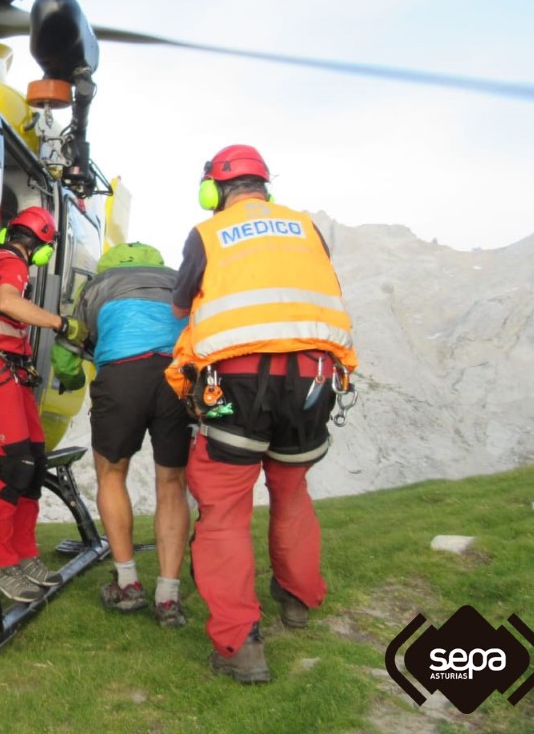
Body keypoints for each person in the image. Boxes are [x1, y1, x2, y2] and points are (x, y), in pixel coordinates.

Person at [166, 144, 358, 684]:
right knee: (292, 491)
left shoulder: (206, 234)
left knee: (224, 508)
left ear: (214, 190)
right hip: (314, 377)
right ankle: (297, 601)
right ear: (265, 186)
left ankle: (239, 645)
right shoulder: (306, 228)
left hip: (238, 381)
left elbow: (181, 306)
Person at [69, 242, 190, 625]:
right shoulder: (175, 281)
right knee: (171, 482)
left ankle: (127, 584)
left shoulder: (96, 286)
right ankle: (168, 597)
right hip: (177, 376)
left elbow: (71, 348)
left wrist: (71, 376)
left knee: (112, 473)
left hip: (121, 375)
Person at [0, 206, 87, 603]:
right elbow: (8, 303)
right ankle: (0, 560)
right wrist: (59, 323)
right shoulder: (11, 262)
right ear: (40, 244)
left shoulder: (7, 260)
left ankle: (24, 554)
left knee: (35, 463)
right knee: (18, 463)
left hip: (16, 372)